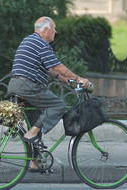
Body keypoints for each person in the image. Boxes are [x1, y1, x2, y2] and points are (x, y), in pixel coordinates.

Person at [7, 16, 91, 151]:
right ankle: (31, 134)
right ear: (46, 29)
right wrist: (79, 79)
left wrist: (59, 77)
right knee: (58, 105)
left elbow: (49, 68)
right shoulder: (41, 44)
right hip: (29, 87)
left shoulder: (28, 40)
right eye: (54, 28)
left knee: (36, 119)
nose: (56, 32)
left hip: (15, 85)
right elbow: (58, 66)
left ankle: (35, 162)